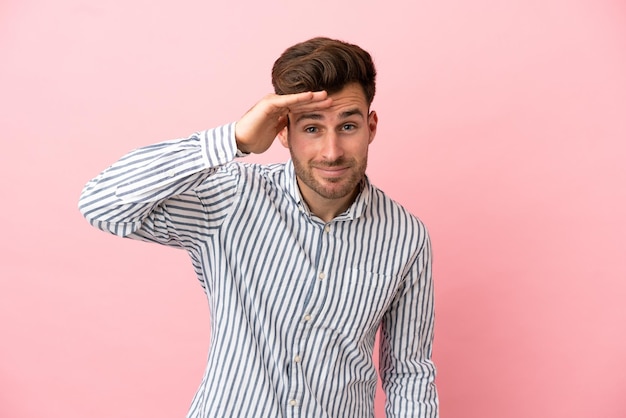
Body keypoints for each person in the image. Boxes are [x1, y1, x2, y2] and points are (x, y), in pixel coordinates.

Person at [79, 36, 438, 417]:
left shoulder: (406, 237)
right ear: (283, 131)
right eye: (312, 128)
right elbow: (102, 204)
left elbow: (408, 372)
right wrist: (233, 139)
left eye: (347, 126)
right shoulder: (231, 199)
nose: (332, 152)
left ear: (371, 126)